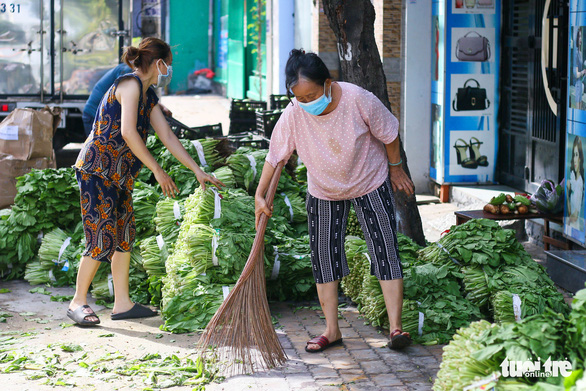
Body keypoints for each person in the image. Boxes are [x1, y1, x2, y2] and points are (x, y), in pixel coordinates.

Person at [254, 49, 415, 351]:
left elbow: (389, 133)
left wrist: (395, 169)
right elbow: (275, 156)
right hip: (324, 190)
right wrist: (260, 194)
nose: (305, 103)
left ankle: (396, 329)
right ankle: (332, 330)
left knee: (385, 249)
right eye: (299, 98)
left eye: (311, 95)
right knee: (323, 258)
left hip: (369, 180)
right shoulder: (293, 113)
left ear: (327, 83)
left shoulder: (358, 99)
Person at [68, 37, 224, 326]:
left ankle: (123, 303)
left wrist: (196, 170)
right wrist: (157, 170)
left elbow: (167, 136)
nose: (170, 71)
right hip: (97, 169)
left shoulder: (149, 96)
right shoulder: (129, 85)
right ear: (158, 63)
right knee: (101, 236)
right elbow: (128, 131)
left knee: (123, 236)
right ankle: (78, 301)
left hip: (120, 173)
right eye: (169, 66)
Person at [82, 63, 172, 136]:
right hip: (94, 115)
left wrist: (160, 106)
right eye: (168, 63)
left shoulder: (139, 81)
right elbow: (128, 132)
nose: (168, 68)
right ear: (158, 63)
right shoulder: (129, 76)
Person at [566, 136, 585, 232]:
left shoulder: (579, 183)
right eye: (574, 155)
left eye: (577, 155)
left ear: (580, 158)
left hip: (575, 227)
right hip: (571, 227)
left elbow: (574, 217)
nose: (574, 159)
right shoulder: (573, 177)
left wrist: (567, 191)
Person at [574, 29, 586, 110]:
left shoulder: (580, 53)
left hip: (581, 85)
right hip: (578, 86)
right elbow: (576, 74)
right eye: (579, 37)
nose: (580, 39)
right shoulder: (576, 54)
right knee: (578, 109)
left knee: (581, 107)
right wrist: (583, 72)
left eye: (581, 37)